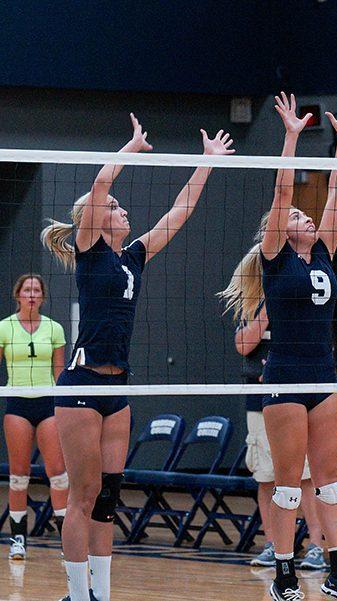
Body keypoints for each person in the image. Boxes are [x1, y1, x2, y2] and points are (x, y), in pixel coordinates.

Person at [41, 113, 234, 601]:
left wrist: (206, 163)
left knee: (108, 498)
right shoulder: (90, 250)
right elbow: (101, 183)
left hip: (118, 389)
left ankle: (101, 594)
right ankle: (76, 594)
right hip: (82, 388)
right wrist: (130, 147)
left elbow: (180, 209)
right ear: (95, 217)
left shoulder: (135, 256)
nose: (123, 210)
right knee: (82, 499)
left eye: (122, 207)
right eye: (114, 208)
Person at [219, 92, 337, 601]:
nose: (306, 218)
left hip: (324, 377)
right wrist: (290, 136)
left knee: (330, 484)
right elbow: (283, 191)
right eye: (296, 218)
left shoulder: (324, 249)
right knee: (286, 484)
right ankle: (284, 576)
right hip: (283, 378)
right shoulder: (275, 257)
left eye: (308, 218)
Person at [233, 302, 327, 570]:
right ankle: (272, 545)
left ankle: (316, 547)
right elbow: (243, 346)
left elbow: (317, 346)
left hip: (299, 396)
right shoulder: (251, 304)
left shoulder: (304, 300)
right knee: (266, 476)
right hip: (259, 401)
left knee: (307, 477)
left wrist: (279, 368)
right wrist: (264, 313)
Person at [1, 273, 68, 560]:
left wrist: (67, 406)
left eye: (36, 290)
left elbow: (59, 371)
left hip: (48, 404)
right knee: (18, 475)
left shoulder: (54, 328)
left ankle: (68, 538)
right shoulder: (4, 327)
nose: (31, 294)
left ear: (42, 297)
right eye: (27, 289)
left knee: (58, 473)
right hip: (17, 404)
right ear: (18, 295)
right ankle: (18, 540)